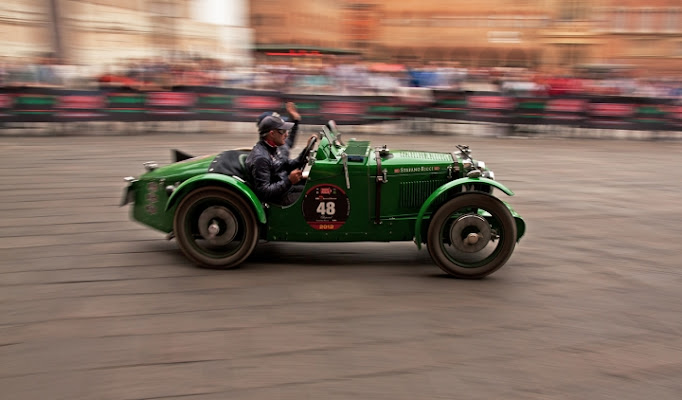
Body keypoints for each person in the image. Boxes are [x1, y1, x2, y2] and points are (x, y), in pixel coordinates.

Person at [245, 114, 311, 206]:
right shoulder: (261, 158)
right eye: (283, 131)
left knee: (315, 188)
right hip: (278, 199)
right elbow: (264, 192)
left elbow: (289, 164)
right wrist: (289, 180)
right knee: (314, 199)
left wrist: (306, 150)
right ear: (272, 134)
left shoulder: (273, 148)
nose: (287, 134)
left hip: (286, 189)